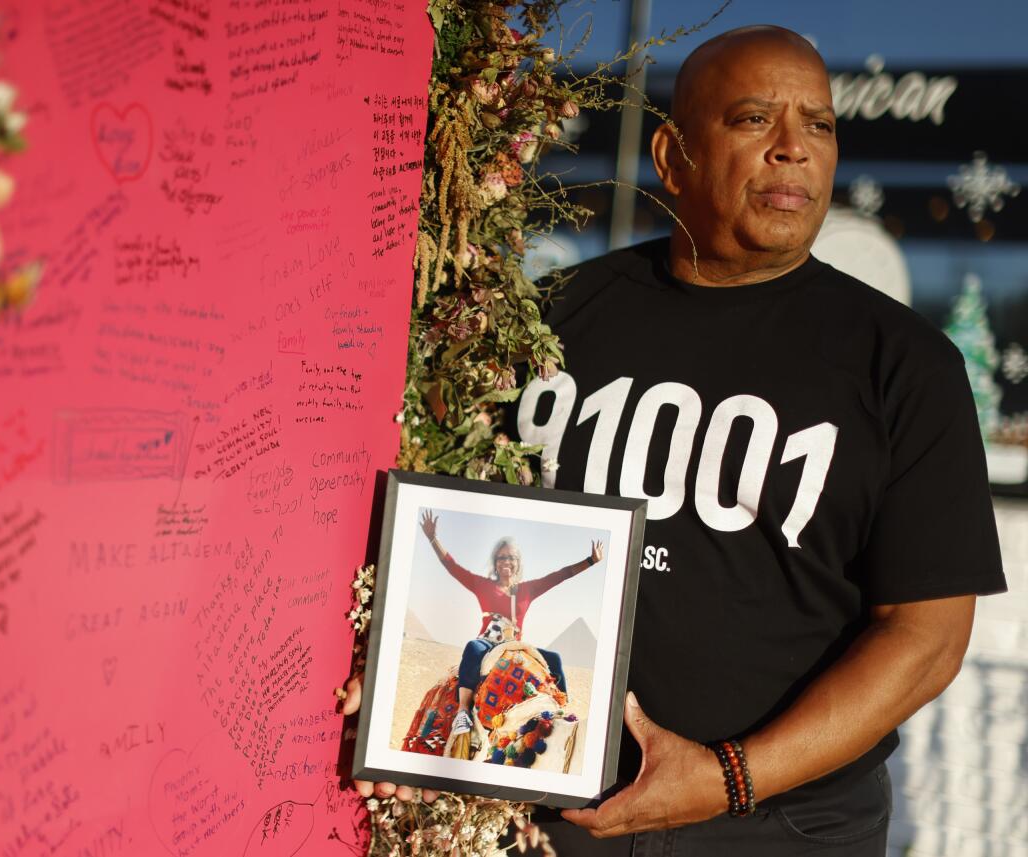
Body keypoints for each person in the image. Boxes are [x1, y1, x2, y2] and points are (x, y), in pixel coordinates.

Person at [344, 24, 1006, 854]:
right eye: (754, 119)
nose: (793, 150)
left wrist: (729, 776)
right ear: (672, 155)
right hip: (542, 808)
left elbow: (928, 636)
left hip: (779, 823)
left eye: (821, 125)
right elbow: (452, 509)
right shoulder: (550, 320)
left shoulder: (904, 367)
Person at [417, 509, 603, 744]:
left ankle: (560, 713)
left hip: (516, 647)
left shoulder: (527, 589)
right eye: (502, 557)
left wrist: (591, 561)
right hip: (489, 643)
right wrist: (433, 538)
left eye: (511, 558)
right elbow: (453, 567)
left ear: (518, 564)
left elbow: (560, 575)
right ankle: (463, 712)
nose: (506, 561)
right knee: (473, 647)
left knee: (554, 659)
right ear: (496, 563)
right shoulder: (482, 585)